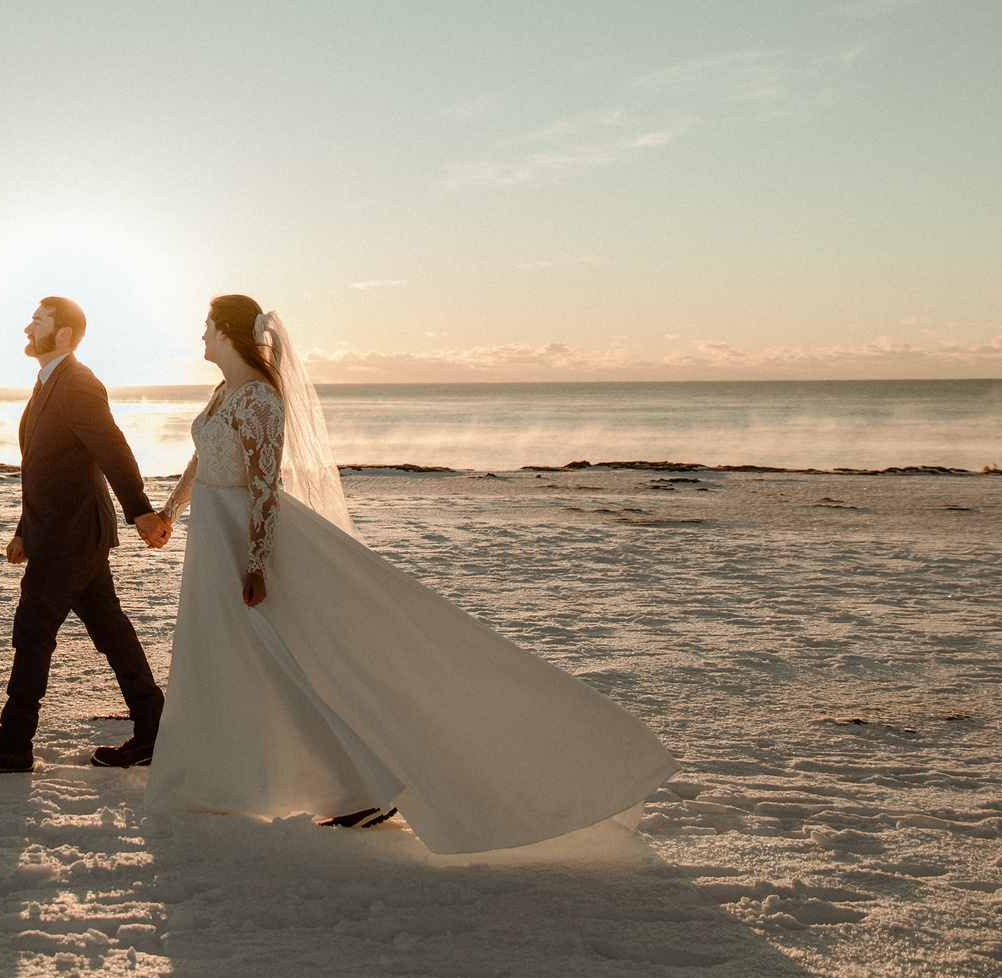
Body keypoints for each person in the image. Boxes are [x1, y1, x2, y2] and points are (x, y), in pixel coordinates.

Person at [143, 295, 678, 853]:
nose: (200, 337)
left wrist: (254, 563)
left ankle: (362, 785)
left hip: (243, 543)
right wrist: (170, 512)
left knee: (288, 657)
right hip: (212, 536)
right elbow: (203, 458)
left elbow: (263, 485)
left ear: (228, 333)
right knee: (231, 655)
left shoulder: (259, 399)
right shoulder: (224, 392)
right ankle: (233, 774)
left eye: (206, 327)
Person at [0, 296, 172, 774]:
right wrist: (24, 530)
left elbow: (112, 448)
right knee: (111, 631)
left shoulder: (79, 383)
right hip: (62, 533)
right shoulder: (46, 382)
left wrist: (141, 512)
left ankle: (13, 743)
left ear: (63, 334)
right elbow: (43, 469)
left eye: (39, 321)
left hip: (72, 536)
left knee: (33, 632)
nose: (28, 328)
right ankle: (155, 728)